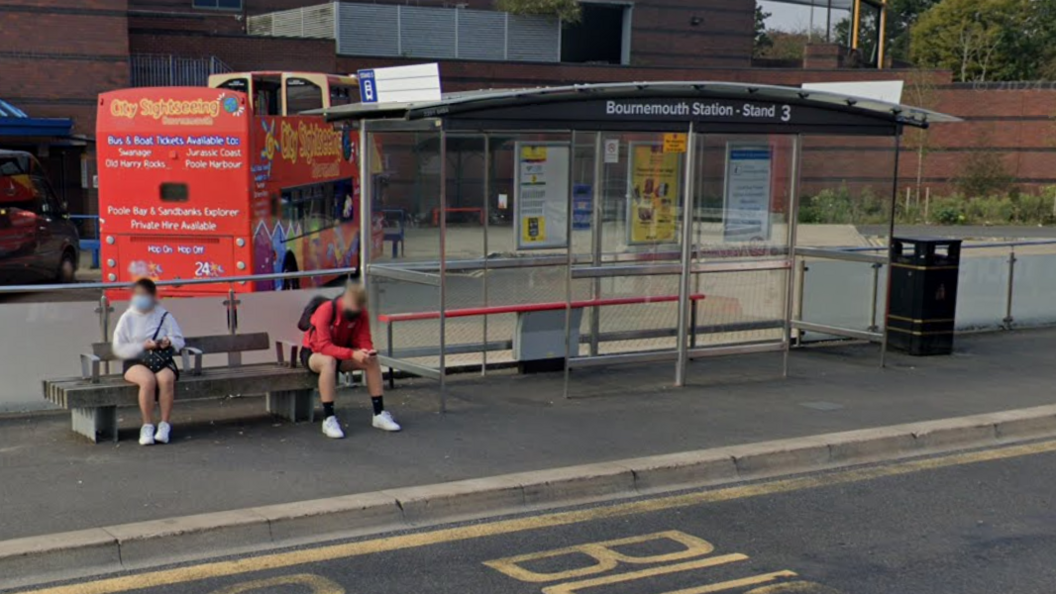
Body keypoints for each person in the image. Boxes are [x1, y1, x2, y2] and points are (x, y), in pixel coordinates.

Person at [301, 283, 400, 438]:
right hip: (314, 353)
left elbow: (365, 339)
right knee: (328, 362)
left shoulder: (361, 313)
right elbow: (325, 346)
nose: (355, 314)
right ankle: (329, 418)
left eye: (358, 310)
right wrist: (353, 354)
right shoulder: (326, 310)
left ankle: (379, 413)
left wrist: (367, 352)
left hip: (342, 353)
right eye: (352, 309)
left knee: (372, 361)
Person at [112, 278, 185, 446]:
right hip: (136, 359)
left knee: (166, 379)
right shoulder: (127, 317)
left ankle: (164, 425)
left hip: (159, 358)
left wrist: (168, 341)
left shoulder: (163, 315)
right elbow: (119, 347)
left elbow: (179, 340)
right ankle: (147, 425)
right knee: (147, 380)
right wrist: (142, 345)